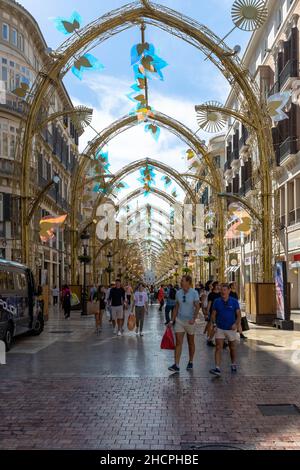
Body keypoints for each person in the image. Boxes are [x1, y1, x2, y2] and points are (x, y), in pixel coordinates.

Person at [168, 275, 200, 373]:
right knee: (178, 342)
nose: (181, 282)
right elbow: (176, 307)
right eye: (181, 281)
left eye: (182, 281)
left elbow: (197, 306)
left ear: (188, 282)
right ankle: (176, 365)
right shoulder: (178, 293)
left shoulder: (194, 293)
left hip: (190, 321)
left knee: (191, 342)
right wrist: (171, 320)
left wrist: (194, 319)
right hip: (179, 321)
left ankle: (190, 361)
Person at [209, 283, 241, 377]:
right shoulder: (217, 301)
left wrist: (236, 324)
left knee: (232, 347)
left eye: (224, 290)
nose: (222, 292)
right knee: (218, 347)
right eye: (221, 290)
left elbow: (239, 315)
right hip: (220, 328)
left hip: (231, 328)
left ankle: (233, 363)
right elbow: (213, 314)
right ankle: (217, 368)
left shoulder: (234, 301)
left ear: (228, 291)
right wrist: (214, 324)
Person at [205, 281, 221, 347]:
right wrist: (207, 313)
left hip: (220, 312)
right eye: (217, 285)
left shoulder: (220, 294)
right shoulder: (211, 294)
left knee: (220, 327)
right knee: (214, 327)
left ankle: (222, 341)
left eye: (219, 285)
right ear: (214, 286)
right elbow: (209, 304)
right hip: (213, 313)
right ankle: (209, 340)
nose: (218, 286)